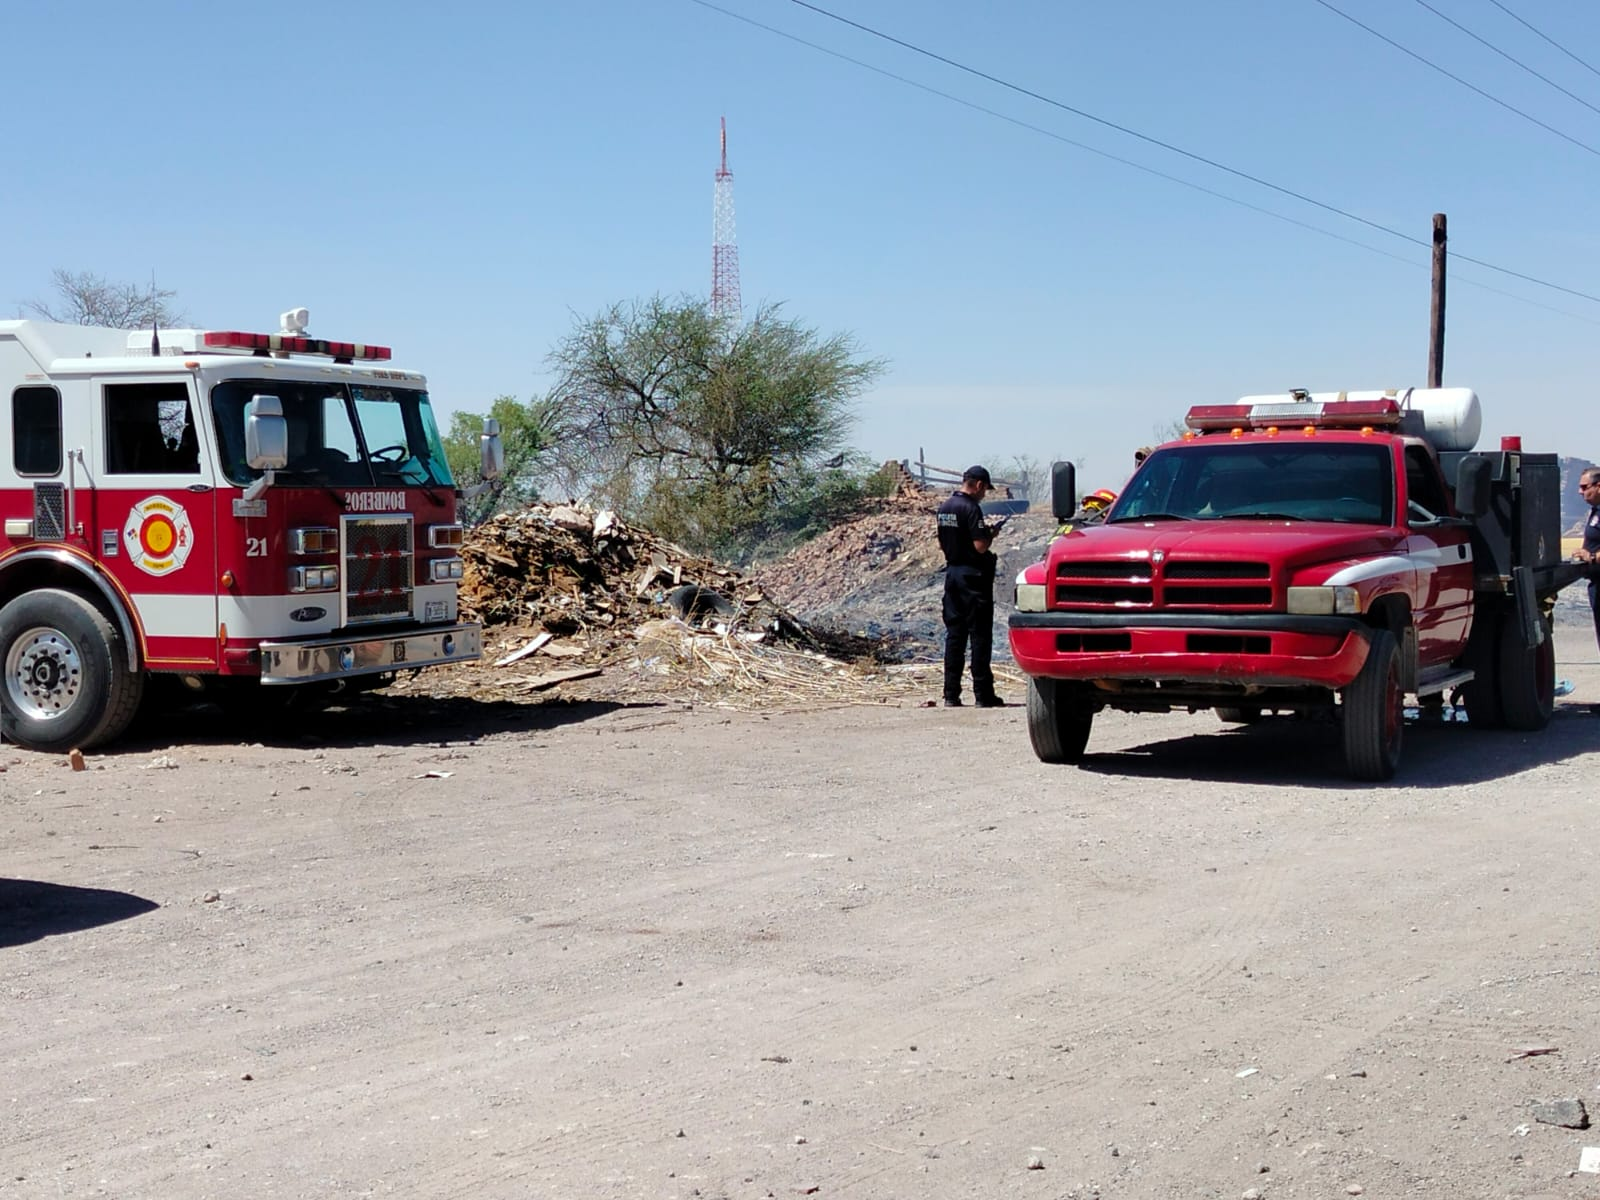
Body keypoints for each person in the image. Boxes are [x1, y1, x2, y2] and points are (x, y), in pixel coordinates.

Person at [937, 465, 1006, 707]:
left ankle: (950, 694)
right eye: (985, 489)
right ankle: (983, 694)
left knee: (954, 636)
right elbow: (980, 546)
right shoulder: (970, 508)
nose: (984, 494)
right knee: (979, 636)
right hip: (973, 579)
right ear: (978, 485)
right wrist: (991, 535)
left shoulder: (945, 508)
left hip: (952, 576)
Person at [1574, 467, 1600, 651]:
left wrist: (1591, 556)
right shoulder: (1595, 511)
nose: (1580, 491)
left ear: (1598, 486)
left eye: (1584, 487)